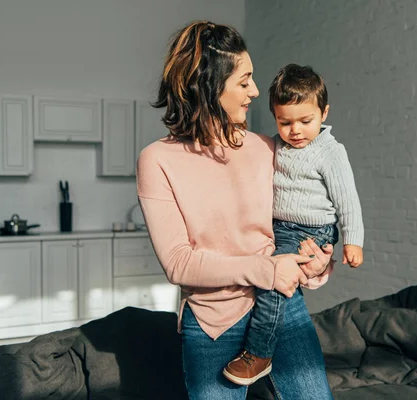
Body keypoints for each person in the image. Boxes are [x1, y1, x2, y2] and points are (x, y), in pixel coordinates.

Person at [136, 21, 336, 399]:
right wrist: (267, 269)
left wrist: (314, 262)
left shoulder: (267, 148)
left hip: (281, 309)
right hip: (212, 321)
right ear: (209, 85)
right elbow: (179, 262)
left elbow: (295, 223)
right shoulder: (157, 160)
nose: (256, 92)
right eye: (244, 81)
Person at [223, 64, 365, 386]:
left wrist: (353, 241)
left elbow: (348, 200)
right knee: (256, 272)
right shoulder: (278, 145)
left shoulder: (330, 152)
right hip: (278, 226)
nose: (295, 130)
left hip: (310, 231)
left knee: (273, 280)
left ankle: (259, 353)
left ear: (324, 112)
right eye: (285, 122)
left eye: (305, 121)